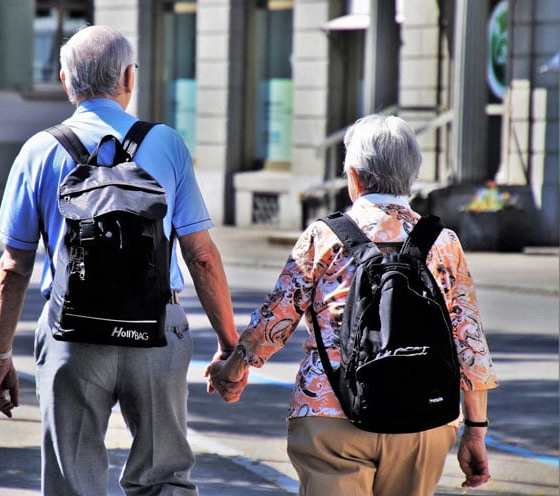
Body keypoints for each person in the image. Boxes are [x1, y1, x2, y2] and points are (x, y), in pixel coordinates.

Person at [0, 25, 239, 496]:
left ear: (65, 81)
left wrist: (0, 356)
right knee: (165, 477)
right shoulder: (166, 144)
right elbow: (201, 255)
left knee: (72, 481)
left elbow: (14, 267)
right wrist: (229, 345)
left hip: (72, 337)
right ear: (129, 77)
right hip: (157, 330)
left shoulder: (38, 151)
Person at [207, 114, 498, 496]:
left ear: (355, 176)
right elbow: (469, 342)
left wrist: (234, 367)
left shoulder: (324, 236)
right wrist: (475, 432)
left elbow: (275, 320)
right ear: (411, 175)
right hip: (423, 421)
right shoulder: (444, 242)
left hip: (331, 414)